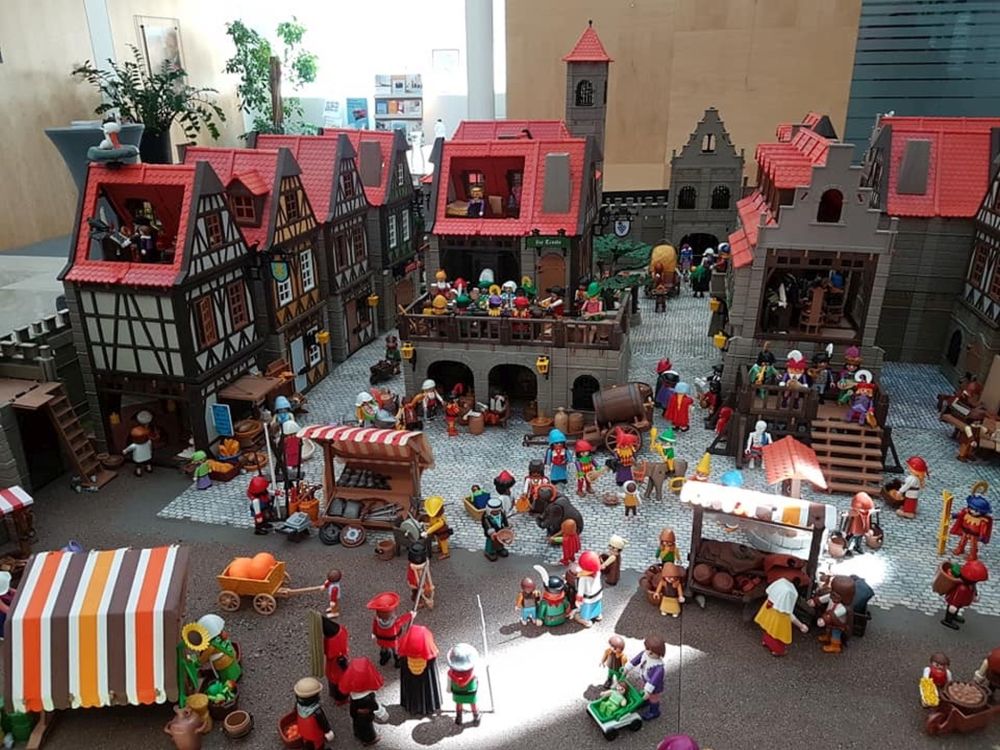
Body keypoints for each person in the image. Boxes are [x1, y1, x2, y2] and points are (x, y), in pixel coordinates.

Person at [340, 658, 389, 745]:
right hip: (366, 716)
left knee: (357, 724)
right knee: (367, 729)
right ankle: (370, 739)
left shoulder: (352, 691)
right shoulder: (368, 696)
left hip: (355, 711)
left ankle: (357, 734)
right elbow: (375, 707)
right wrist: (383, 715)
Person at [754, 578, 808, 656]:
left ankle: (766, 642)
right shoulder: (784, 607)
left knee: (768, 628)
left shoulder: (780, 585)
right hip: (779, 619)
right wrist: (801, 625)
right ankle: (777, 651)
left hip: (769, 609)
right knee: (778, 634)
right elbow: (790, 616)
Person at [397, 625, 442, 716]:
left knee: (411, 689)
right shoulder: (429, 657)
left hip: (411, 680)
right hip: (425, 677)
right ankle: (429, 707)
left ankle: (412, 707)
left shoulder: (405, 658)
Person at [623, 636, 666, 720]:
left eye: (652, 652)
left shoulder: (659, 667)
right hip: (645, 679)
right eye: (647, 649)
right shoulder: (645, 654)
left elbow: (654, 680)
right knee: (645, 691)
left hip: (655, 686)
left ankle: (654, 711)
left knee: (654, 697)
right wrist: (627, 668)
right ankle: (646, 700)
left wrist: (648, 690)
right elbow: (636, 660)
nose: (649, 652)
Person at [293, 677, 335, 750]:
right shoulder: (316, 711)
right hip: (315, 733)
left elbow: (294, 711)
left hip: (303, 730)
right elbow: (323, 723)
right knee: (318, 745)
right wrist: (327, 731)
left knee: (308, 743)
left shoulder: (298, 705)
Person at [446, 643, 480, 727]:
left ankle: (459, 717)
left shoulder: (451, 673)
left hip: (457, 693)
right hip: (470, 692)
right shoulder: (472, 672)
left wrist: (449, 689)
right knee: (473, 704)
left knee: (459, 703)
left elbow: (449, 684)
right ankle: (476, 717)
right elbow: (477, 681)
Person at [322, 617, 350, 704]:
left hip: (333, 668)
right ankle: (341, 699)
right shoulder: (340, 632)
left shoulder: (330, 642)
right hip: (337, 669)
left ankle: (338, 698)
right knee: (338, 683)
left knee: (334, 682)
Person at [481, 496, 510, 561]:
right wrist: (492, 532)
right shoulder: (486, 517)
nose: (497, 513)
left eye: (498, 511)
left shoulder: (501, 514)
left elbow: (505, 520)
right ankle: (489, 552)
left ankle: (500, 549)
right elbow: (487, 524)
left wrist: (506, 526)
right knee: (491, 543)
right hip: (491, 534)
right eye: (494, 511)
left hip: (500, 530)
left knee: (500, 541)